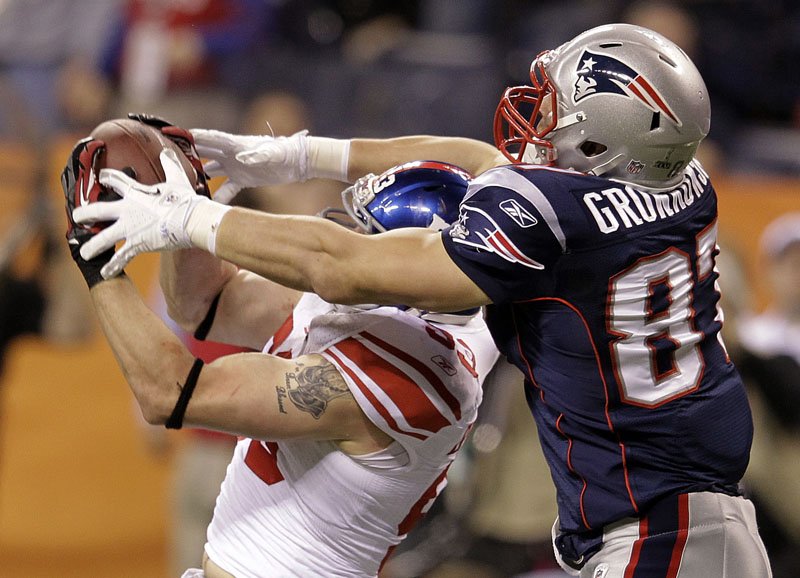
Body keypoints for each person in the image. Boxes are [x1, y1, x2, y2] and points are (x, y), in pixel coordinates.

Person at [72, 23, 772, 577]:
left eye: (362, 226)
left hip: (661, 531)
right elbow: (209, 305)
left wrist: (166, 226)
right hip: (669, 521)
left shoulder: (416, 371)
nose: (539, 124)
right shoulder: (670, 181)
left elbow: (331, 273)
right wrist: (281, 159)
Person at [61, 131, 499, 577]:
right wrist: (188, 190)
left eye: (370, 237)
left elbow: (169, 392)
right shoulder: (410, 310)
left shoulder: (413, 376)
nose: (352, 240)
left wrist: (92, 256)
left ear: (413, 276)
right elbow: (203, 304)